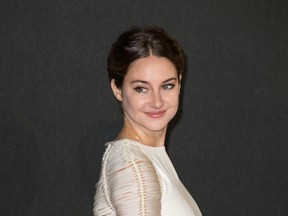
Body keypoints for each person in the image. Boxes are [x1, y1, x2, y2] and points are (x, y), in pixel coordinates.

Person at [93, 26, 202, 216]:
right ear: (117, 89)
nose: (157, 101)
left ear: (179, 84)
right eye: (141, 89)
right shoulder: (133, 166)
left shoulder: (148, 158)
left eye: (167, 86)